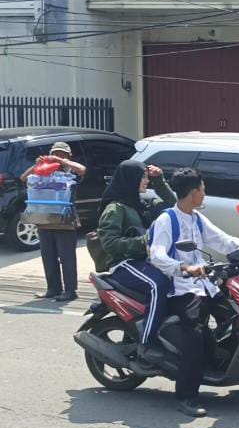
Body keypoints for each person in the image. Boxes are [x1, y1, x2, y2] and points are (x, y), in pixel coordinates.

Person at [148, 169, 239, 418]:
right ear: (193, 193)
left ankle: (231, 368)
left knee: (237, 317)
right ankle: (186, 396)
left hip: (206, 285)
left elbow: (224, 241)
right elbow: (157, 254)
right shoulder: (167, 220)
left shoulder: (197, 219)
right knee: (195, 335)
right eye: (202, 189)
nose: (204, 194)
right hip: (181, 289)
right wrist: (184, 268)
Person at [97, 161, 177, 358]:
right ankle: (147, 342)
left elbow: (174, 206)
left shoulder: (142, 204)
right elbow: (110, 243)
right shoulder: (115, 208)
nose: (146, 181)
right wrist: (144, 243)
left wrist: (160, 182)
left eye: (147, 177)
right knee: (158, 285)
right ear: (130, 180)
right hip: (124, 264)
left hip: (146, 262)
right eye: (143, 177)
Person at [21, 142, 86, 302]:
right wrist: (37, 164)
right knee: (48, 256)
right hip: (44, 221)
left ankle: (71, 290)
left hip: (65, 221)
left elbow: (83, 169)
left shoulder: (71, 173)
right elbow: (23, 178)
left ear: (68, 156)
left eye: (62, 154)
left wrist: (62, 162)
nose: (58, 156)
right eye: (55, 153)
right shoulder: (41, 173)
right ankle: (53, 288)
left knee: (67, 258)